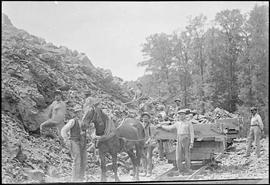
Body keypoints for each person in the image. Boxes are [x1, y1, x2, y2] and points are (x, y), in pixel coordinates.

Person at [157, 109, 194, 175]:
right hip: (179, 138)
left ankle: (187, 169)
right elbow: (170, 128)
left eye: (182, 115)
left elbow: (192, 133)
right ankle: (180, 170)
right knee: (178, 157)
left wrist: (191, 142)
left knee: (186, 156)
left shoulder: (188, 123)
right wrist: (161, 126)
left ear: (185, 115)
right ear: (178, 116)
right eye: (180, 115)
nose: (181, 116)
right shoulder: (177, 123)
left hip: (186, 139)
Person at [61, 105, 87, 182]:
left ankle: (81, 179)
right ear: (76, 113)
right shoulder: (73, 121)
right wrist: (66, 140)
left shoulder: (84, 122)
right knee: (77, 160)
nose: (80, 113)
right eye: (78, 112)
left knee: (84, 161)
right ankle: (74, 180)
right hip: (75, 142)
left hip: (83, 143)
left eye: (80, 112)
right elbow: (63, 130)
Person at [140, 112, 155, 177]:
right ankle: (144, 171)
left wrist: (148, 141)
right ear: (142, 118)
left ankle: (149, 172)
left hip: (149, 143)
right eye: (143, 117)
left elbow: (152, 136)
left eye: (146, 117)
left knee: (148, 157)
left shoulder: (151, 126)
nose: (145, 118)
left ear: (149, 119)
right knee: (143, 157)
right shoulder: (140, 125)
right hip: (142, 143)